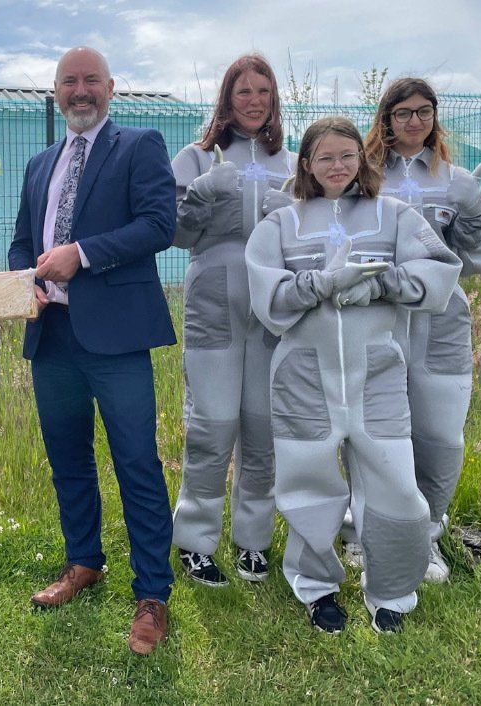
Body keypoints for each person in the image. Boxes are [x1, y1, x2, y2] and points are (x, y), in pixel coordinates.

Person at [245, 117, 461, 634]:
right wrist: (319, 284)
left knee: (395, 485)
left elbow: (439, 270)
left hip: (377, 375)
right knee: (307, 486)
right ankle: (316, 589)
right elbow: (268, 299)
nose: (337, 166)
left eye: (346, 155)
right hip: (302, 377)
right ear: (306, 164)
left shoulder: (395, 214)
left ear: (361, 160)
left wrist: (381, 284)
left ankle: (391, 593)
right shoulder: (280, 223)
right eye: (325, 157)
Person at [7, 46, 177, 655]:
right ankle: (84, 562)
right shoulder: (39, 163)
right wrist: (23, 282)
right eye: (68, 82)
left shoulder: (139, 145)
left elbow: (159, 224)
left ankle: (152, 593)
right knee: (68, 459)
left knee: (137, 463)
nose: (80, 91)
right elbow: (22, 241)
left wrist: (81, 254)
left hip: (117, 339)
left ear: (110, 87)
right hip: (52, 336)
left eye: (90, 81)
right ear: (55, 91)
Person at [346, 78, 481, 582]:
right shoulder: (363, 175)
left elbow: (477, 259)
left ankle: (425, 534)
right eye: (404, 112)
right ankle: (366, 534)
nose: (415, 121)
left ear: (434, 117)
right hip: (377, 318)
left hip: (441, 320)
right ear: (386, 118)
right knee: (374, 432)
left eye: (424, 111)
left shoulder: (455, 180)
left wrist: (473, 214)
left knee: (440, 434)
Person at [170, 54, 295, 586]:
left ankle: (253, 542)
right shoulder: (196, 158)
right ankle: (195, 540)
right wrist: (201, 195)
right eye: (243, 91)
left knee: (263, 430)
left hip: (272, 307)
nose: (253, 101)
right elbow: (176, 233)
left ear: (274, 100)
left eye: (263, 91)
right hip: (214, 304)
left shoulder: (291, 162)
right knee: (211, 426)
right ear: (226, 98)